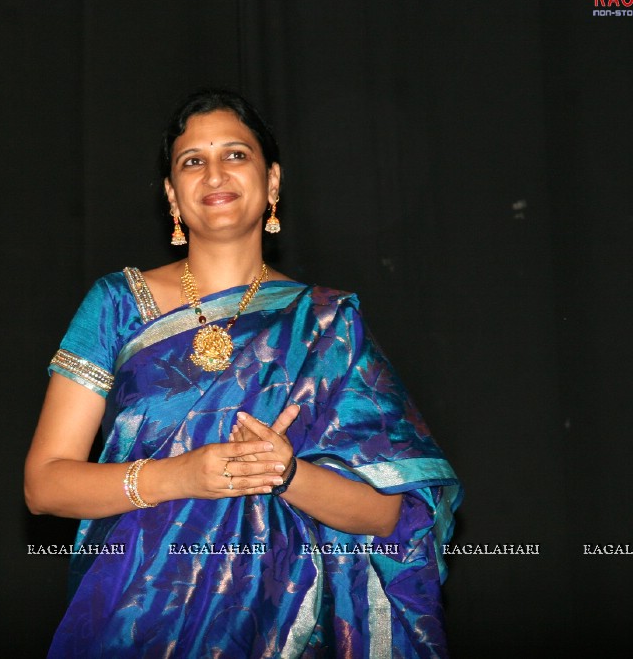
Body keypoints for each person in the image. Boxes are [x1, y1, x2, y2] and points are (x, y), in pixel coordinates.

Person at [24, 88, 461, 657]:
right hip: (135, 621)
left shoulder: (326, 324)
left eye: (235, 154)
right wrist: (180, 476)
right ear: (171, 195)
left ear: (272, 182)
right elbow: (44, 485)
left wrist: (287, 473)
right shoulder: (116, 305)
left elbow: (392, 517)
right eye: (192, 161)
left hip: (286, 625)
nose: (214, 173)